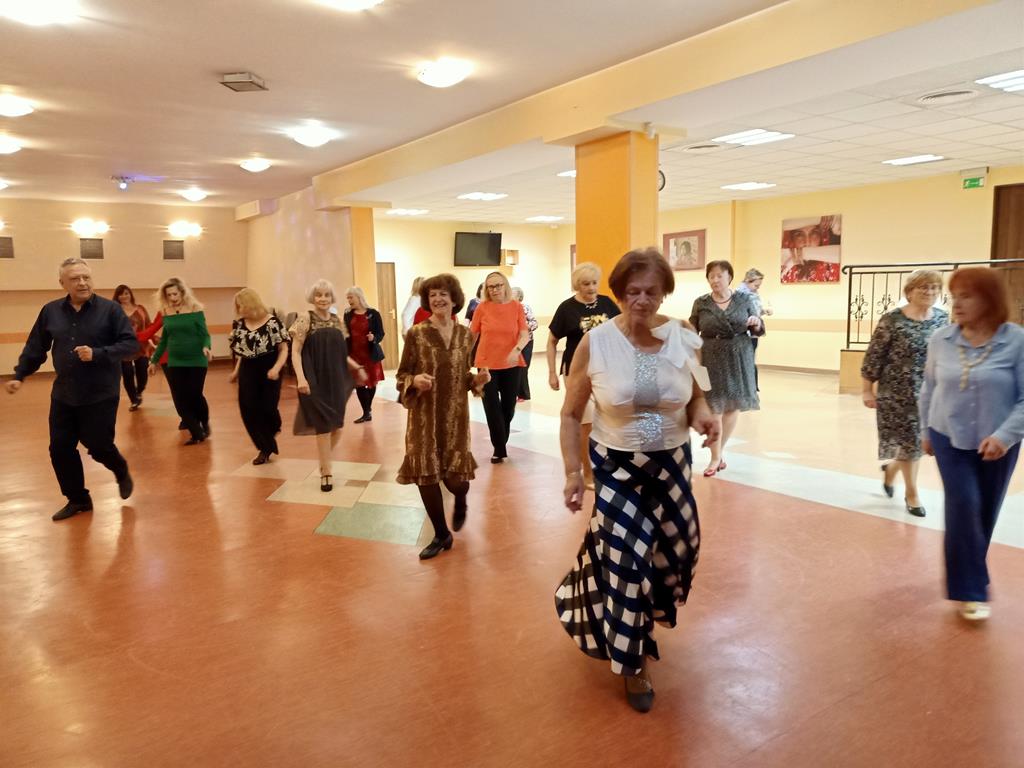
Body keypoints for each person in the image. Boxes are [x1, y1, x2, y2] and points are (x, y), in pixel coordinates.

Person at [554, 247, 718, 713]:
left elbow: (698, 394)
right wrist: (573, 472)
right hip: (618, 466)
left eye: (651, 292)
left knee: (678, 551)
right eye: (632, 292)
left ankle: (632, 605)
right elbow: (570, 414)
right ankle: (633, 662)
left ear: (665, 293)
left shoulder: (684, 336)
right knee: (628, 563)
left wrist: (704, 416)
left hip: (671, 463)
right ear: (619, 294)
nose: (641, 301)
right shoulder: (597, 343)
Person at [919, 268, 1024, 622]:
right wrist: (925, 431)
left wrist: (1005, 436)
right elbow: (929, 388)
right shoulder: (941, 339)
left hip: (998, 442)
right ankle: (970, 590)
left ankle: (970, 572)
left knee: (985, 510)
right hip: (948, 435)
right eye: (954, 296)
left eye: (967, 296)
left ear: (989, 300)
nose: (956, 304)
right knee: (963, 504)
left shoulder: (1016, 341)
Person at [7, 258, 138, 521]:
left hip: (100, 393)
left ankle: (120, 468)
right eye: (75, 279)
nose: (82, 283)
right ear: (62, 283)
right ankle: (78, 499)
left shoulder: (110, 310)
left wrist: (98, 353)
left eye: (86, 277)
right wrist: (20, 375)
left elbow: (130, 345)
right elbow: (36, 347)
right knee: (60, 448)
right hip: (64, 393)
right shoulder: (50, 311)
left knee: (98, 446)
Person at [396, 274, 490, 559]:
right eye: (432, 295)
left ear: (454, 299)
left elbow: (463, 376)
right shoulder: (416, 334)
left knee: (455, 481)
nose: (437, 299)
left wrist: (477, 380)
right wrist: (414, 381)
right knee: (426, 476)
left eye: (443, 294)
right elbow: (401, 375)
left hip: (455, 418)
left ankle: (461, 499)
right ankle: (441, 534)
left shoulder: (465, 335)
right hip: (424, 417)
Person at [861, 270, 947, 516]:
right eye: (923, 287)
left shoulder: (943, 319)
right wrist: (867, 390)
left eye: (934, 287)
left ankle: (891, 471)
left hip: (930, 393)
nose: (929, 292)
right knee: (911, 443)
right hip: (897, 393)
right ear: (909, 291)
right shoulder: (892, 320)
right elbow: (874, 356)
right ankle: (912, 493)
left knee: (917, 444)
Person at [548, 262, 620, 488]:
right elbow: (552, 341)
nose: (591, 288)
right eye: (586, 284)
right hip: (577, 372)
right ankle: (587, 473)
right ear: (577, 285)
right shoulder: (567, 308)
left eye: (594, 283)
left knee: (610, 420)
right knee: (585, 424)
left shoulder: (607, 303)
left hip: (606, 370)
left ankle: (609, 467)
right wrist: (552, 372)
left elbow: (622, 331)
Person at [290, 279, 367, 491]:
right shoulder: (305, 318)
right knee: (323, 426)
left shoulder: (337, 320)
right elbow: (295, 352)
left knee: (337, 426)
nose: (322, 299)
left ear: (332, 298)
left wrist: (357, 367)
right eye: (318, 295)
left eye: (326, 295)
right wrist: (301, 378)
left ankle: (324, 460)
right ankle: (326, 471)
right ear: (312, 297)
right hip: (314, 379)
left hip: (336, 379)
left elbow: (341, 354)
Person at [689, 260, 762, 477]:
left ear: (729, 277)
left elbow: (757, 327)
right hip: (710, 356)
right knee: (714, 408)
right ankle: (715, 457)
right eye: (711, 276)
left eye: (719, 275)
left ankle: (717, 454)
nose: (715, 280)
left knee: (732, 407)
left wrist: (756, 323)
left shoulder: (744, 299)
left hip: (738, 355)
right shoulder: (701, 303)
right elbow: (692, 330)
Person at [470, 271, 529, 463]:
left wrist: (516, 350)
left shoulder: (516, 307)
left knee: (508, 406)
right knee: (491, 406)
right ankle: (499, 447)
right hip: (486, 364)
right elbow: (472, 335)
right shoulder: (482, 308)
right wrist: (462, 356)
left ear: (505, 286)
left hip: (511, 363)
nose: (494, 290)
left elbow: (524, 334)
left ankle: (500, 439)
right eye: (490, 287)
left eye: (498, 285)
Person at [148, 277, 213, 445]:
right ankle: (196, 433)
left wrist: (206, 347)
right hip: (176, 361)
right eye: (169, 295)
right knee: (180, 398)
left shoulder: (195, 309)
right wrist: (154, 360)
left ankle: (204, 422)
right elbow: (164, 340)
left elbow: (205, 334)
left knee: (195, 395)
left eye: (175, 294)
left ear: (182, 293)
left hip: (197, 360)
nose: (172, 298)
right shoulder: (166, 312)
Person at [228, 288, 289, 465]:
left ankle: (273, 427)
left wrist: (276, 368)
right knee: (248, 408)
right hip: (248, 369)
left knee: (268, 408)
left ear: (251, 304)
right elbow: (243, 352)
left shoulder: (272, 322)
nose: (240, 310)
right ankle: (265, 448)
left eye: (242, 306)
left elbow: (283, 349)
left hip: (269, 368)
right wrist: (236, 371)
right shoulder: (240, 324)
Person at [343, 286, 386, 424]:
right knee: (359, 383)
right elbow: (346, 333)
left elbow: (381, 333)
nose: (349, 300)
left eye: (351, 297)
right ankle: (366, 412)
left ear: (359, 297)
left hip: (370, 354)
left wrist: (374, 338)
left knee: (372, 382)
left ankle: (368, 410)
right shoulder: (348, 314)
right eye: (348, 298)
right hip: (354, 354)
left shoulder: (373, 313)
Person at [113, 284, 152, 411]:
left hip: (141, 346)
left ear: (130, 294)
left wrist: (151, 339)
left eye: (126, 293)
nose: (124, 296)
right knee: (127, 373)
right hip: (123, 346)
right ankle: (134, 400)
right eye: (121, 294)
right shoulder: (114, 310)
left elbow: (149, 325)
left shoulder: (140, 309)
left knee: (143, 372)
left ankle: (139, 391)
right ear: (117, 297)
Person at [735, 268, 773, 390]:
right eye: (756, 285)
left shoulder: (754, 294)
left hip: (754, 332)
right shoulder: (739, 295)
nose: (757, 288)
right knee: (745, 360)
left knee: (750, 358)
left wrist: (764, 311)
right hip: (743, 333)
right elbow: (738, 314)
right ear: (747, 281)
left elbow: (755, 311)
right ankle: (746, 387)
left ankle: (752, 387)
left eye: (759, 286)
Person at [511, 286, 538, 401]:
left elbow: (534, 324)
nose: (510, 295)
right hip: (513, 343)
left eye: (512, 293)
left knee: (523, 368)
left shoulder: (525, 308)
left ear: (519, 297)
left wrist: (523, 327)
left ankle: (523, 394)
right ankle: (513, 393)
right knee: (513, 369)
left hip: (526, 342)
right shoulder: (507, 308)